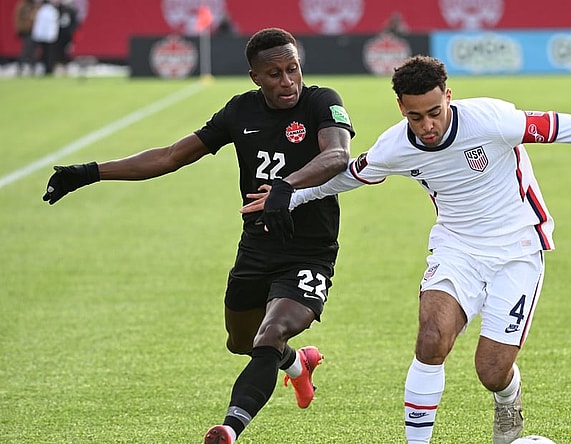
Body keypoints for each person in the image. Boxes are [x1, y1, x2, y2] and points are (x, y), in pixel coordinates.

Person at [242, 55, 571, 444]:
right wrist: (289, 194)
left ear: (448, 95)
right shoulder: (395, 146)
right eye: (414, 116)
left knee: (491, 371)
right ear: (400, 107)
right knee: (430, 340)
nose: (426, 125)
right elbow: (348, 176)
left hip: (518, 247)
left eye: (434, 112)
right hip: (456, 247)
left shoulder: (493, 120)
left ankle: (508, 400)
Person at [41, 28, 354, 444]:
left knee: (270, 333)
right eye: (274, 73)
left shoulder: (321, 101)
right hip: (257, 248)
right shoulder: (240, 112)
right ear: (254, 77)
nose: (287, 81)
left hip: (310, 251)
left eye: (292, 69)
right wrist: (91, 172)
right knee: (241, 342)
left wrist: (286, 187)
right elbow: (171, 156)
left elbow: (337, 155)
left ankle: (229, 429)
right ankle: (297, 365)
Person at [30, 0, 58, 75]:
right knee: (48, 54)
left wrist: (37, 35)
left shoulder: (42, 11)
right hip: (49, 37)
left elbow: (38, 25)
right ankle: (48, 69)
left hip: (43, 36)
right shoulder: (51, 11)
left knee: (44, 54)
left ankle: (46, 69)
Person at [13, 0, 39, 76]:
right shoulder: (23, 5)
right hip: (26, 30)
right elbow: (18, 18)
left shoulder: (34, 6)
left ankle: (32, 68)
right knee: (26, 49)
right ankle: (20, 67)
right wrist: (19, 29)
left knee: (33, 50)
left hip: (35, 31)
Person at [54, 0, 79, 75]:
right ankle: (58, 66)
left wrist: (71, 33)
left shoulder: (72, 11)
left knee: (67, 51)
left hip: (67, 35)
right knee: (58, 50)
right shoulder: (58, 9)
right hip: (58, 35)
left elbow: (74, 24)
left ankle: (65, 66)